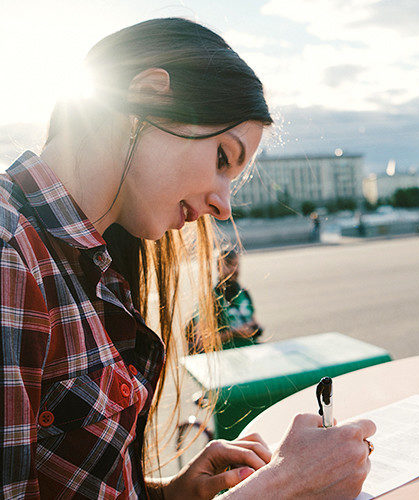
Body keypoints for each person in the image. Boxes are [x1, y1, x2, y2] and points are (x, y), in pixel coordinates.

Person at [0, 18, 374, 499]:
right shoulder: (10, 252)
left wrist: (168, 493)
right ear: (150, 95)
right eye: (223, 158)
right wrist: (281, 487)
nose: (224, 205)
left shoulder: (89, 260)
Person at [186, 249, 263, 353]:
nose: (234, 270)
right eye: (229, 265)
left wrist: (255, 328)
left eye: (236, 265)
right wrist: (233, 333)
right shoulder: (210, 299)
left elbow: (253, 321)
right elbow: (200, 342)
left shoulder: (244, 293)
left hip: (250, 352)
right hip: (225, 356)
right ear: (218, 267)